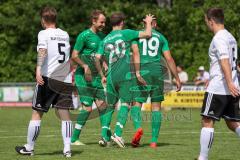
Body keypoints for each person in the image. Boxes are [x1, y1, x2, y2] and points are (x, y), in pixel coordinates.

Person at [15, 6, 73, 157]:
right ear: (55, 19)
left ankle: (29, 147)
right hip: (65, 79)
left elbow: (43, 51)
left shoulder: (43, 33)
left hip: (48, 78)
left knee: (37, 114)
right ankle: (67, 149)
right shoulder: (65, 34)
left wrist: (38, 69)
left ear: (43, 20)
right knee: (65, 114)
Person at [95, 12, 154, 148]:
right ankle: (117, 134)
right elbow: (148, 34)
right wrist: (149, 22)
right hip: (123, 74)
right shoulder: (126, 33)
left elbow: (97, 57)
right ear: (121, 22)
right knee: (126, 104)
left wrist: (101, 74)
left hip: (110, 75)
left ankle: (104, 136)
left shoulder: (105, 39)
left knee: (110, 106)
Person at [131, 18, 181, 148]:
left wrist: (136, 72)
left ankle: (138, 128)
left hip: (143, 71)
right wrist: (177, 77)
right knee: (156, 107)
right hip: (157, 73)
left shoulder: (137, 36)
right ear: (155, 24)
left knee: (136, 103)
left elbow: (135, 55)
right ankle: (153, 141)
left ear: (144, 24)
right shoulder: (162, 38)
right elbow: (169, 58)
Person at [198, 8, 240, 160]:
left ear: (211, 21)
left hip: (220, 88)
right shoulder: (230, 37)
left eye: (206, 21)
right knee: (233, 123)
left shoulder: (219, 38)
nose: (206, 24)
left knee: (207, 121)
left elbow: (224, 60)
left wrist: (228, 81)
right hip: (233, 87)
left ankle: (202, 158)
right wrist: (232, 82)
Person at [71, 10, 107, 146]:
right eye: (101, 22)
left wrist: (105, 62)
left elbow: (101, 55)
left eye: (105, 22)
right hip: (83, 77)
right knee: (87, 108)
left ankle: (105, 137)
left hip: (97, 77)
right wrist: (84, 65)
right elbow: (74, 55)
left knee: (103, 106)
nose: (104, 24)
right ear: (93, 21)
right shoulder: (84, 36)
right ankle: (74, 139)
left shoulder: (103, 37)